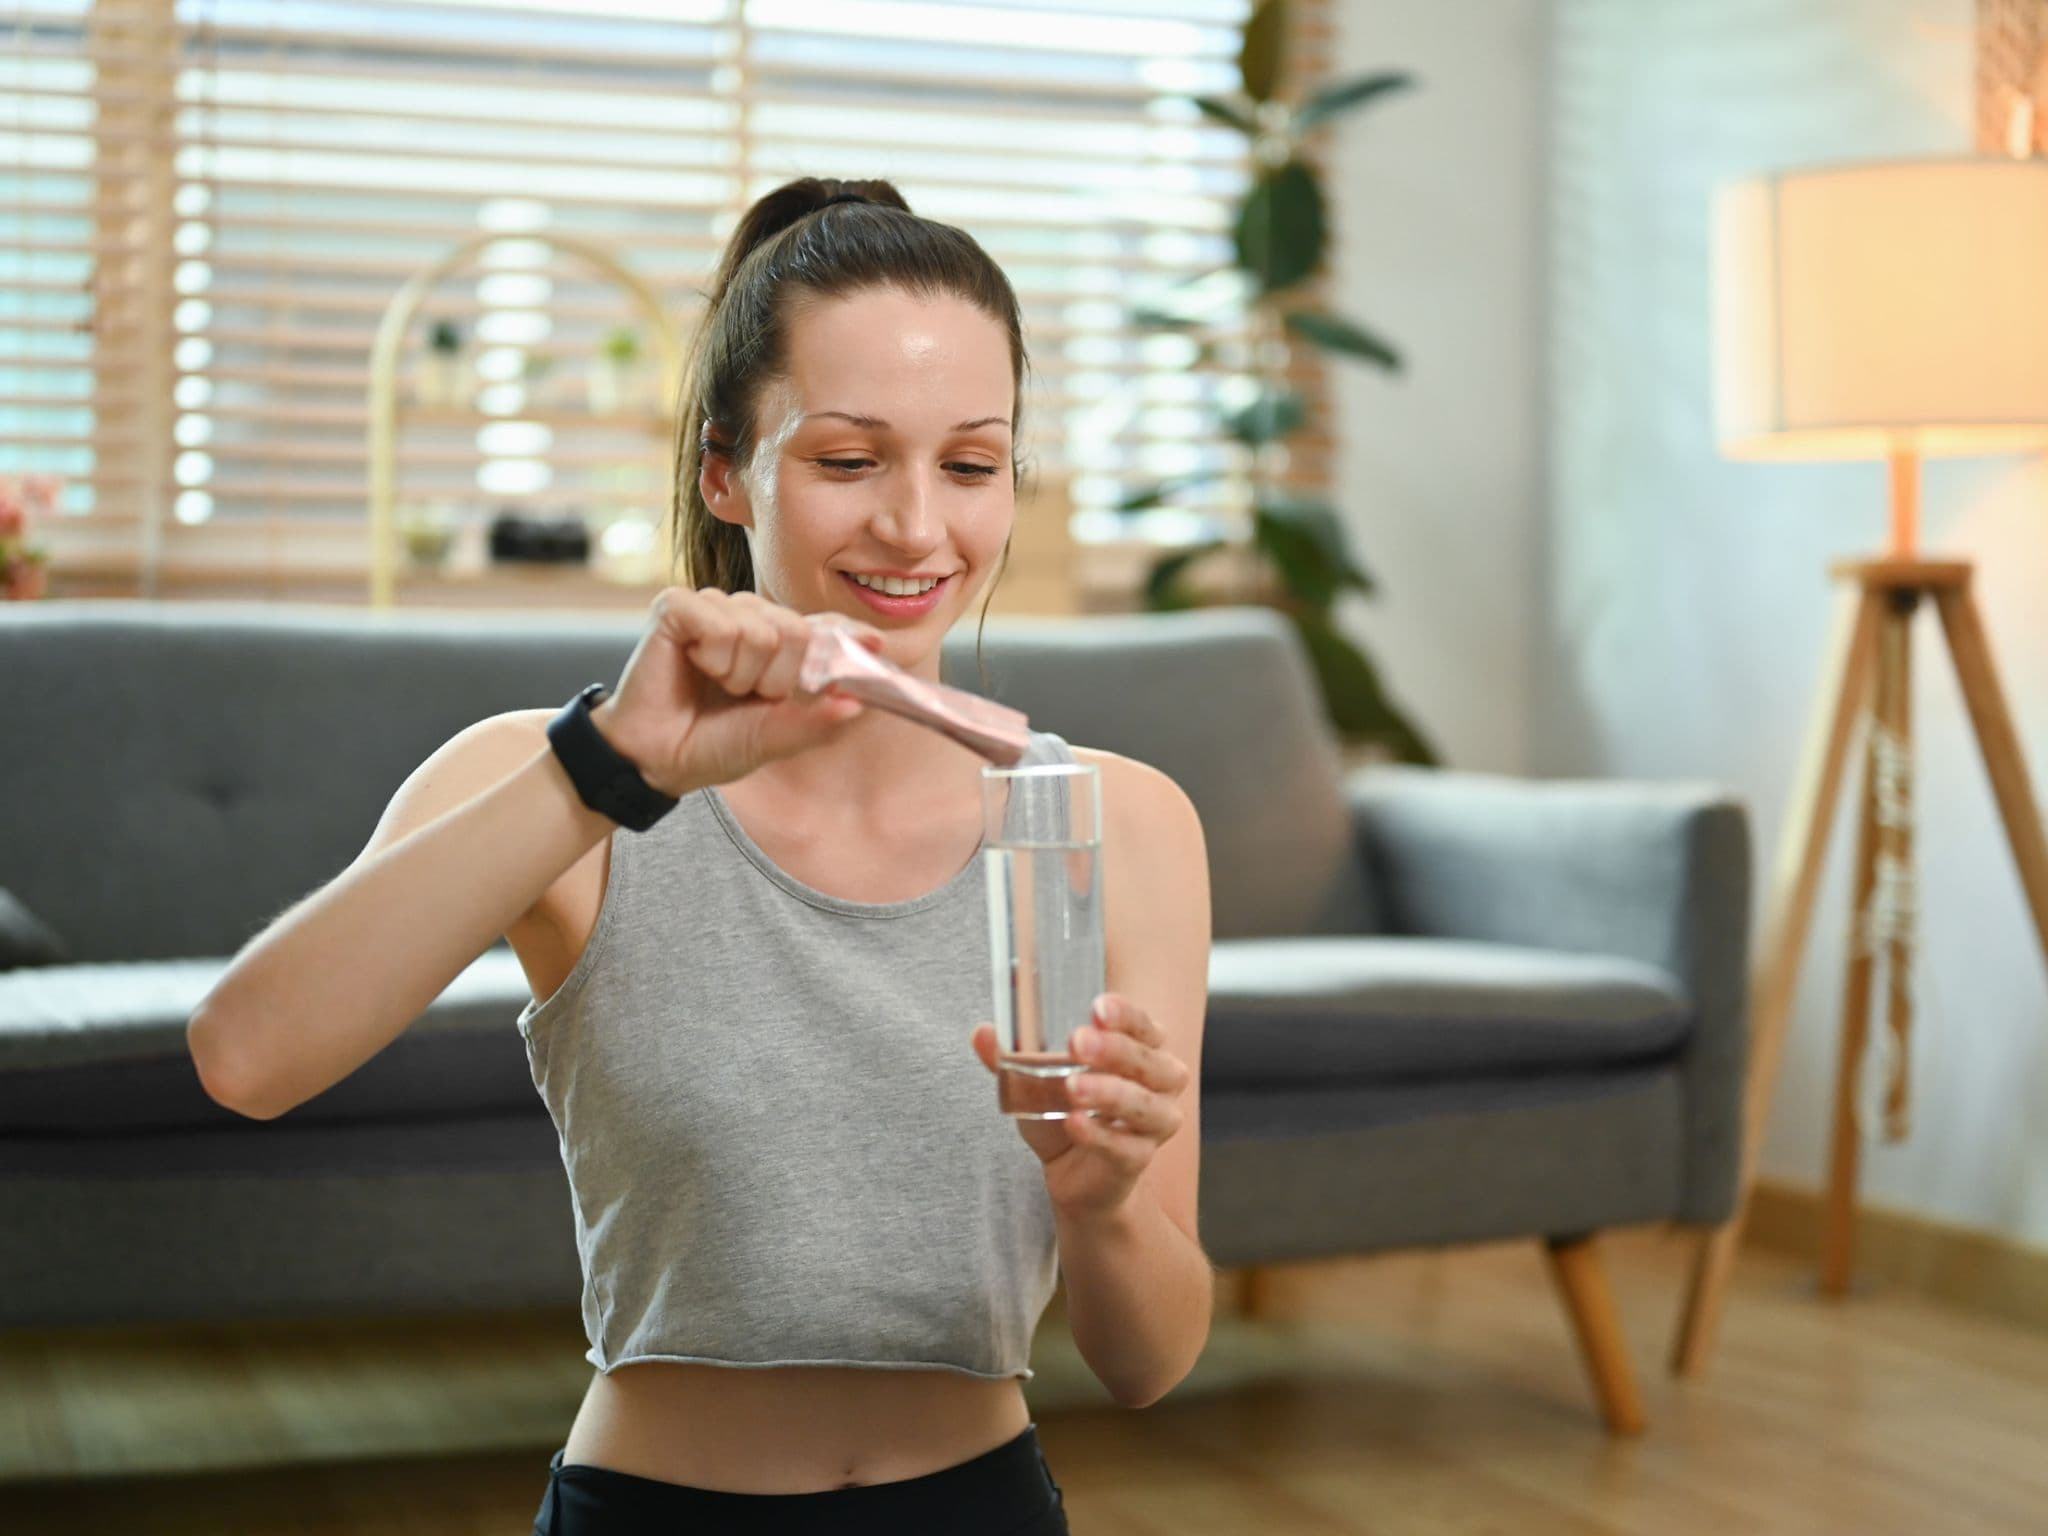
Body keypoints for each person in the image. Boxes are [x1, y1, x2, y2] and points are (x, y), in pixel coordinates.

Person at [186, 176, 1214, 1535]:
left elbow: (1151, 1359)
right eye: (849, 460)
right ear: (728, 468)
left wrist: (1103, 1205)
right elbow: (246, 1059)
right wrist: (611, 766)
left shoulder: (1119, 821)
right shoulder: (558, 780)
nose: (917, 525)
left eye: (970, 464)